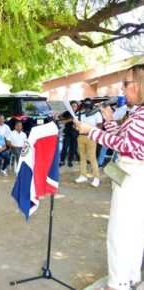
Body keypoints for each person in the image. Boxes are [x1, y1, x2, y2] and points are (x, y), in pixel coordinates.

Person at [75, 64, 144, 290]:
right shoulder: (138, 113)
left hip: (134, 176)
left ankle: (117, 284)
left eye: (127, 83)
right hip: (132, 173)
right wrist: (110, 120)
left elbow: (127, 146)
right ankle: (131, 277)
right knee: (134, 230)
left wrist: (91, 130)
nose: (122, 88)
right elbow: (124, 143)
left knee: (120, 231)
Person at [75, 98, 103, 187]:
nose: (87, 108)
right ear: (83, 105)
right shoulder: (80, 113)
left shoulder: (96, 113)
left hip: (91, 137)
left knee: (92, 158)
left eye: (88, 107)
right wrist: (75, 125)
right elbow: (75, 124)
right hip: (80, 136)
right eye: (86, 106)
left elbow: (100, 125)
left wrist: (93, 131)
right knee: (82, 157)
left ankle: (96, 178)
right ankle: (83, 175)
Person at [59, 100, 78, 167]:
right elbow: (61, 120)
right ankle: (62, 161)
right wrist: (68, 120)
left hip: (75, 134)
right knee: (65, 147)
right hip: (67, 133)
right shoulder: (67, 112)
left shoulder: (79, 113)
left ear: (77, 107)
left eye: (75, 106)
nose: (73, 108)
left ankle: (70, 161)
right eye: (72, 106)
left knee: (73, 148)